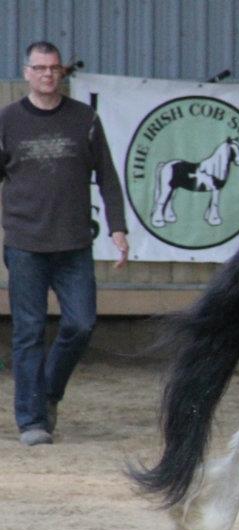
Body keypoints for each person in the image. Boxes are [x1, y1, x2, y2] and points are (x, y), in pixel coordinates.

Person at [0, 41, 129, 446]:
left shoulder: (84, 119)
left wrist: (117, 227)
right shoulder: (7, 122)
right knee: (28, 331)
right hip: (25, 243)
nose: (47, 75)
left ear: (63, 73)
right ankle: (32, 421)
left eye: (54, 68)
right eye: (39, 68)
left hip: (74, 242)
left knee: (81, 323)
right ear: (26, 73)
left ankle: (49, 390)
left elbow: (107, 176)